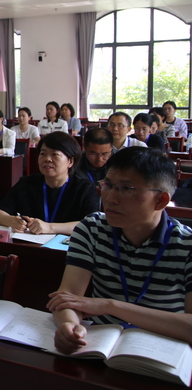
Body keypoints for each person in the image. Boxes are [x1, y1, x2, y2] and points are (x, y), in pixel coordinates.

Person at [48, 147, 192, 354]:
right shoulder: (91, 229)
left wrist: (111, 306)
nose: (110, 198)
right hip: (99, 345)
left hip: (162, 351)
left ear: (160, 200)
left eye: (126, 188)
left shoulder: (187, 244)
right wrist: (69, 326)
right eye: (108, 185)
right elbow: (68, 297)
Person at [0, 132, 98, 235]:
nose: (47, 159)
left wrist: (49, 228)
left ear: (70, 161)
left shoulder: (85, 188)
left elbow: (90, 224)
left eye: (55, 154)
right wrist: (11, 221)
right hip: (30, 244)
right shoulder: (27, 183)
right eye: (43, 154)